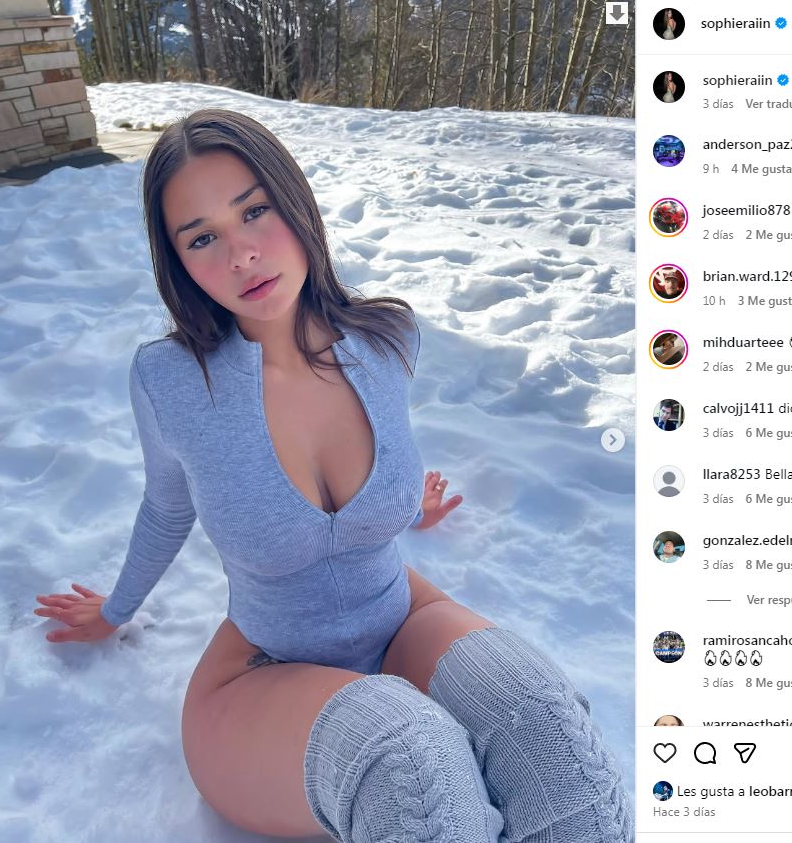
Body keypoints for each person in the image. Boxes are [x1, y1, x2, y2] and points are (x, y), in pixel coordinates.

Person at [32, 109, 631, 843]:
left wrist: (404, 505)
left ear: (294, 202)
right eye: (202, 237)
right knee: (408, 767)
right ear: (178, 261)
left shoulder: (386, 339)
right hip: (262, 670)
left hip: (401, 618)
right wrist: (114, 610)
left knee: (548, 735)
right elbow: (167, 506)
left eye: (254, 210)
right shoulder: (172, 381)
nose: (243, 254)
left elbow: (373, 463)